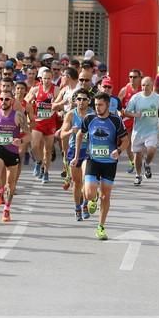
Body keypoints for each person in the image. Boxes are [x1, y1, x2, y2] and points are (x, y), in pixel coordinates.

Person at [73, 92, 128, 241]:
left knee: (106, 195)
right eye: (96, 105)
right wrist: (77, 156)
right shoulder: (89, 118)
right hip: (93, 159)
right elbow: (79, 135)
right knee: (89, 193)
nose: (97, 108)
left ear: (108, 105)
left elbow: (125, 140)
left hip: (109, 162)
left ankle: (101, 226)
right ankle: (93, 197)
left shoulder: (116, 120)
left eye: (100, 105)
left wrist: (119, 150)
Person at [0, 90, 28, 222]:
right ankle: (0, 190)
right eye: (1, 99)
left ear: (12, 101)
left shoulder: (18, 116)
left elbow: (28, 134)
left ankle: (7, 209)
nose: (3, 102)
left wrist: (21, 141)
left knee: (11, 183)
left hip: (12, 152)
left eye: (6, 99)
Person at [123, 77, 159, 186]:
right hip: (138, 131)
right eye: (142, 85)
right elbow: (126, 112)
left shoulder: (157, 98)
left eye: (147, 85)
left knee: (151, 150)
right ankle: (138, 175)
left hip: (152, 130)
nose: (144, 87)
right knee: (137, 155)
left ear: (152, 86)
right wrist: (135, 115)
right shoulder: (136, 98)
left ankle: (147, 164)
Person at [61, 89, 95, 221]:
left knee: (87, 181)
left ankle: (85, 204)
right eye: (79, 99)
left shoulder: (93, 115)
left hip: (88, 151)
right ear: (75, 101)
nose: (81, 102)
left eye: (84, 99)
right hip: (74, 150)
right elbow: (61, 134)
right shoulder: (70, 115)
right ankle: (77, 208)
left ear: (89, 101)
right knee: (77, 183)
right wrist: (71, 131)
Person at [25, 68, 61, 183]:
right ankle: (39, 162)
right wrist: (31, 104)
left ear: (52, 79)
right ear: (41, 79)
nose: (46, 80)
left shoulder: (55, 90)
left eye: (49, 78)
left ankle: (45, 172)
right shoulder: (35, 89)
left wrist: (57, 108)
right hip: (38, 121)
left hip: (50, 122)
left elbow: (60, 104)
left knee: (48, 149)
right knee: (34, 146)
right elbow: (25, 102)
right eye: (44, 78)